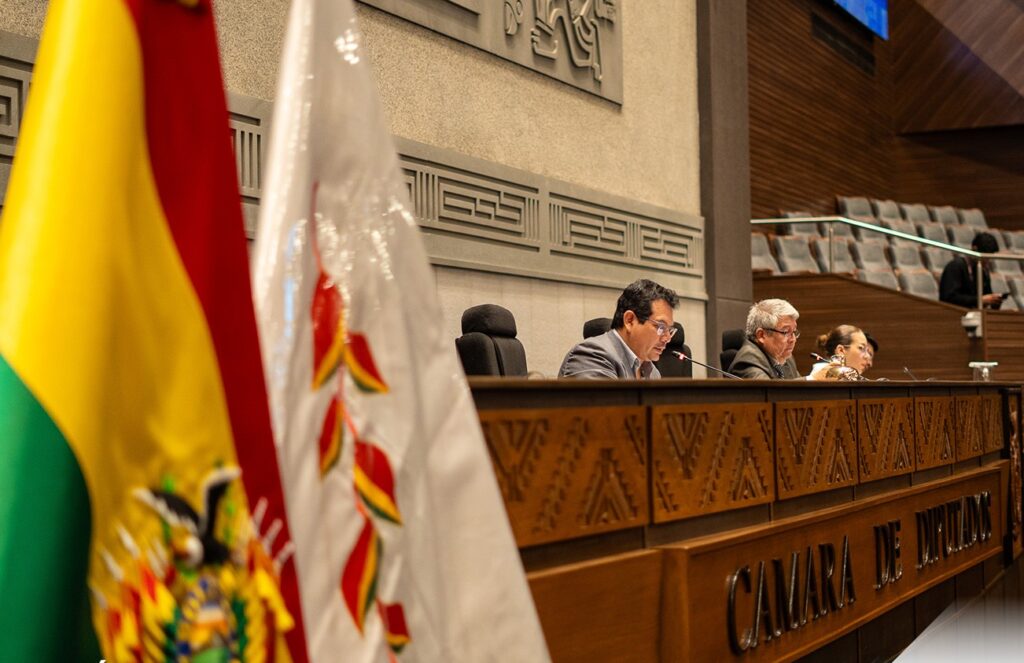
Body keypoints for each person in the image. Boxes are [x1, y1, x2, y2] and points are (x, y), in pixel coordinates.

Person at [559, 279, 679, 379]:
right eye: (661, 327)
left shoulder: (652, 373)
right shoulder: (591, 356)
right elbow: (609, 407)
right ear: (630, 320)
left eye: (670, 330)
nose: (667, 338)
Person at [730, 299, 801, 380]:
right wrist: (810, 378)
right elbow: (771, 391)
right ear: (761, 335)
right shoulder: (747, 362)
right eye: (785, 332)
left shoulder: (786, 357)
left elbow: (797, 388)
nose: (793, 339)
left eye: (794, 332)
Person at [939, 232, 1003, 308]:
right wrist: (979, 300)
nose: (987, 261)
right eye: (985, 257)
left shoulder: (983, 270)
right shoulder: (955, 266)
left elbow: (987, 294)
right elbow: (948, 298)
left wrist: (994, 300)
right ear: (975, 249)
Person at [808, 325, 873, 380]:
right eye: (861, 348)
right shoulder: (823, 377)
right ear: (841, 350)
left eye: (867, 351)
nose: (867, 356)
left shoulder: (847, 378)